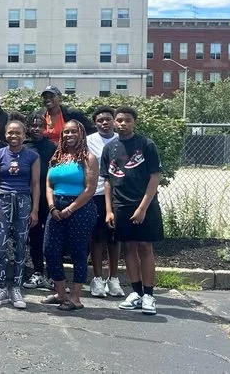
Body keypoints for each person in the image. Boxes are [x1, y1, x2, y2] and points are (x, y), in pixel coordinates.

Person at [103, 107, 163, 315]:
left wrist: (143, 208)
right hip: (121, 206)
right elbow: (108, 181)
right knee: (128, 249)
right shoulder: (110, 148)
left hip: (145, 205)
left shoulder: (146, 145)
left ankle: (148, 295)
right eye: (118, 120)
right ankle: (136, 293)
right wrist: (109, 210)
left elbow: (155, 177)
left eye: (127, 120)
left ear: (134, 122)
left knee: (145, 248)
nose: (122, 124)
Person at [41, 120, 99, 311]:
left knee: (78, 252)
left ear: (81, 134)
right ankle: (60, 293)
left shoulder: (88, 158)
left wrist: (70, 209)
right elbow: (49, 185)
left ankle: (75, 298)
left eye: (74, 131)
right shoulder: (57, 157)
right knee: (50, 250)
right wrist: (52, 207)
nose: (69, 135)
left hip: (80, 208)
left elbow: (90, 189)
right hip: (55, 207)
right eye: (66, 132)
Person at [0, 120, 40, 309]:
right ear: (5, 134)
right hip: (2, 201)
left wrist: (34, 210)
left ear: (24, 135)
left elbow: (35, 184)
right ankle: (1, 287)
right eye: (10, 132)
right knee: (0, 247)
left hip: (23, 201)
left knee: (20, 246)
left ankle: (16, 288)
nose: (14, 136)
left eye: (18, 133)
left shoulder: (32, 156)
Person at [86, 106, 124, 298]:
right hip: (96, 194)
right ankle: (98, 279)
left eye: (108, 119)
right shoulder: (88, 141)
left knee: (114, 237)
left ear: (114, 121)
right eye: (100, 120)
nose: (104, 123)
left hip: (120, 195)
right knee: (98, 237)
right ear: (95, 123)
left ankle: (114, 279)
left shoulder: (123, 140)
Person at [23, 113, 57, 290]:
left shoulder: (52, 147)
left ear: (45, 128)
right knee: (34, 236)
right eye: (33, 125)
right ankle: (37, 271)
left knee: (51, 237)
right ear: (27, 127)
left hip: (49, 197)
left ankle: (52, 275)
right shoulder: (23, 146)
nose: (36, 128)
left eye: (39, 125)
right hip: (27, 198)